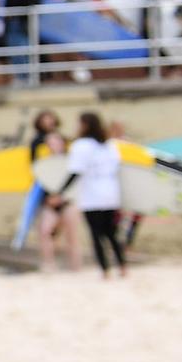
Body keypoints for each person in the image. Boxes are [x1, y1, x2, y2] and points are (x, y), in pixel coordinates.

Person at [56, 111, 128, 279]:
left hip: (93, 195)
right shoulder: (109, 144)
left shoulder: (81, 145)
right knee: (112, 233)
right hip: (111, 192)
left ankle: (105, 270)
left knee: (97, 234)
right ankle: (123, 266)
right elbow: (118, 167)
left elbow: (75, 172)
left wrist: (60, 192)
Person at [28, 108, 80, 272]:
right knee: (45, 231)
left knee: (71, 235)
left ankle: (75, 266)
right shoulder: (42, 161)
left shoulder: (70, 160)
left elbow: (76, 180)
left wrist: (62, 197)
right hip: (49, 200)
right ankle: (49, 265)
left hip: (67, 200)